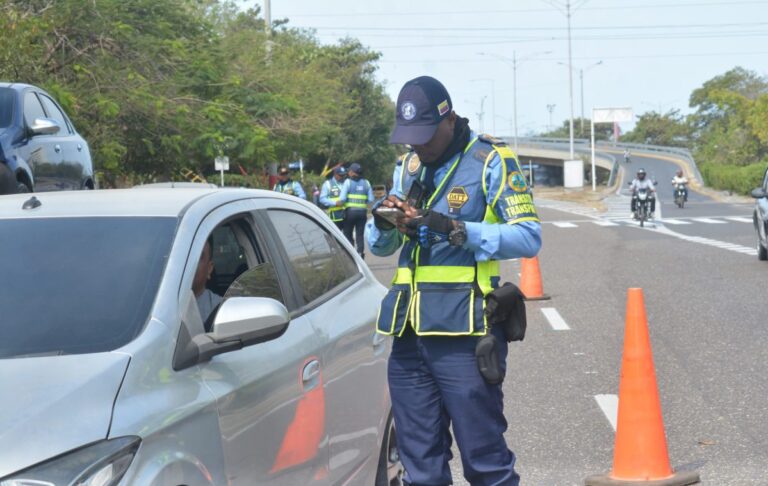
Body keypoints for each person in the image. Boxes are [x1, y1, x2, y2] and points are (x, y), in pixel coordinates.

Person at [367, 75, 541, 485]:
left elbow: (529, 236)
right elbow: (378, 248)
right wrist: (386, 221)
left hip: (466, 334)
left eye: (425, 135)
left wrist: (458, 230)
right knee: (420, 468)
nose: (418, 146)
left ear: (449, 119)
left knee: (485, 464)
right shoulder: (409, 167)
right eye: (409, 137)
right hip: (410, 337)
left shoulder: (490, 160)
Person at [340, 162, 374, 259]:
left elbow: (342, 199)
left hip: (350, 212)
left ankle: (350, 254)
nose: (348, 173)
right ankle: (360, 253)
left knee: (348, 233)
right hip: (362, 213)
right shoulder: (366, 183)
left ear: (352, 172)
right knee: (360, 234)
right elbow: (371, 199)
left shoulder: (348, 182)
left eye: (349, 171)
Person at [193, 235, 222, 328]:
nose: (189, 264)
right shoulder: (154, 305)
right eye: (184, 256)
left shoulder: (220, 310)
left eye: (197, 257)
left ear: (209, 269)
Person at [320, 166, 347, 230]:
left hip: (346, 215)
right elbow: (322, 199)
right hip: (335, 217)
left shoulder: (346, 183)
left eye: (343, 175)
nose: (342, 177)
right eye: (340, 175)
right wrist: (335, 203)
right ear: (335, 174)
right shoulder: (327, 184)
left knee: (347, 237)